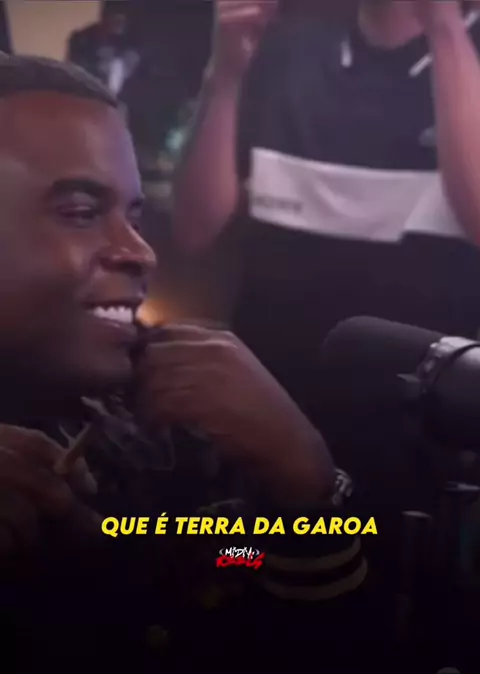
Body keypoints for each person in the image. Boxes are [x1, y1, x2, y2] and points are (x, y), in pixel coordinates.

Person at [0, 54, 370, 674]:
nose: (140, 251)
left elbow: (227, 559)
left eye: (133, 216)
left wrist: (305, 494)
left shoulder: (148, 431)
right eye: (81, 213)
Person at [172, 0, 480, 544]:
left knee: (376, 586)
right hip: (265, 415)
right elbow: (195, 228)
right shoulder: (285, 48)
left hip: (419, 442)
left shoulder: (464, 47)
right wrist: (225, 77)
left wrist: (445, 29)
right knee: (240, 568)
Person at [66, 0, 139, 98]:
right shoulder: (82, 40)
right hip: (88, 97)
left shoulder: (131, 44)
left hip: (118, 101)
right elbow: (74, 73)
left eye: (121, 21)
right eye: (115, 20)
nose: (118, 26)